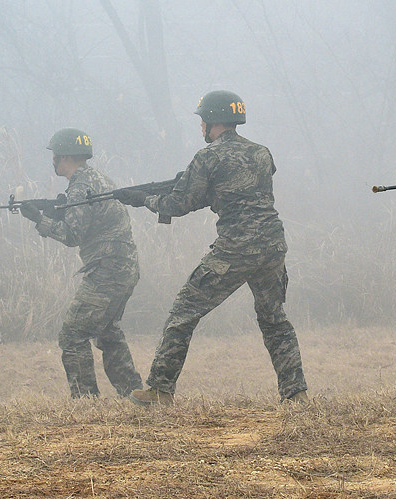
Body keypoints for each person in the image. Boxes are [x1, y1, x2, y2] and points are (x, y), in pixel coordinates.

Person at [115, 90, 308, 406]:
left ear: (212, 122)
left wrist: (146, 200)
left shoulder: (207, 158)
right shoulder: (262, 153)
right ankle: (296, 394)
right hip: (273, 246)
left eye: (202, 121)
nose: (200, 126)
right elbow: (237, 191)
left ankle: (160, 390)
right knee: (275, 320)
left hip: (235, 249)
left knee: (183, 312)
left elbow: (180, 204)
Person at [18, 128, 143, 398]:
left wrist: (39, 220)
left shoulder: (79, 187)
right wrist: (57, 212)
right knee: (107, 332)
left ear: (64, 156)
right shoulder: (98, 179)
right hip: (124, 266)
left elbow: (72, 235)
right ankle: (134, 394)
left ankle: (85, 402)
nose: (53, 160)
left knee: (72, 335)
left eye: (55, 155)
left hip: (106, 270)